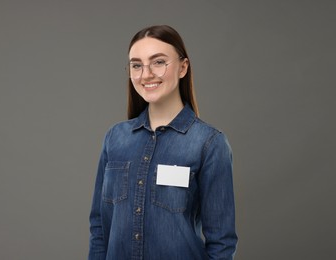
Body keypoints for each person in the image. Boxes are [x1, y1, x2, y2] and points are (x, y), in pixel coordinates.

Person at [88, 25, 237, 260]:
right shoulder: (115, 138)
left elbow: (222, 242)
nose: (145, 74)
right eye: (137, 65)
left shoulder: (209, 143)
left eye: (158, 62)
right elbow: (99, 228)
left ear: (183, 67)